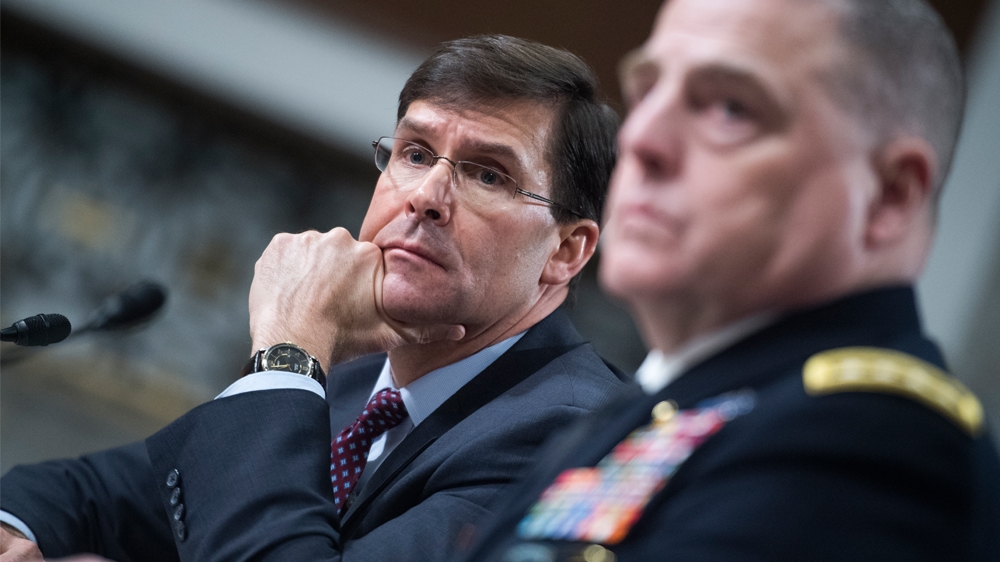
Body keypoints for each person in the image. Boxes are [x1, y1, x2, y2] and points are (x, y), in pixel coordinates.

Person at [0, 35, 632, 561]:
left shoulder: (571, 440)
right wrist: (16, 527)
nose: (426, 197)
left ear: (566, 251)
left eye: (488, 173)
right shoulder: (359, 375)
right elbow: (111, 492)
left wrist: (287, 352)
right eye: (414, 153)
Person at [459, 1, 1000, 561]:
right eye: (647, 91)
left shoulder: (875, 447)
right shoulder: (664, 406)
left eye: (730, 108)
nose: (641, 139)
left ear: (890, 196)